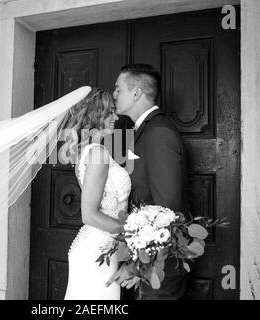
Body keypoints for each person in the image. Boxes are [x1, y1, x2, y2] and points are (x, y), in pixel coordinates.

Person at [107, 64, 188, 300]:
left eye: (118, 89)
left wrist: (138, 265)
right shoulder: (145, 130)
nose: (114, 95)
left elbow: (167, 211)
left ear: (136, 93)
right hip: (147, 264)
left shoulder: (158, 133)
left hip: (159, 270)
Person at [62, 88, 132, 300]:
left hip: (101, 247)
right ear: (95, 115)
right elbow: (89, 214)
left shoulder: (88, 152)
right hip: (97, 253)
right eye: (110, 112)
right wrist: (133, 235)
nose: (116, 117)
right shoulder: (97, 154)